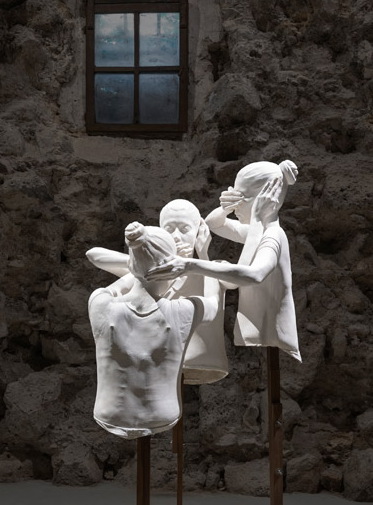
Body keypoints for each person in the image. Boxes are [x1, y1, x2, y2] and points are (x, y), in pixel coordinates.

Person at [147, 160, 301, 362]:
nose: (237, 206)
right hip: (260, 322)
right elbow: (214, 223)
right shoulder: (257, 232)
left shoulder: (273, 235)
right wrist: (225, 207)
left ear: (264, 199)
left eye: (242, 199)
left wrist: (190, 265)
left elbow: (250, 276)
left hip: (271, 324)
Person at [88, 223, 215, 438]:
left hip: (109, 414)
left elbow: (116, 283)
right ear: (173, 269)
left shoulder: (99, 303)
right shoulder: (184, 310)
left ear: (131, 265)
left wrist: (140, 263)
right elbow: (214, 302)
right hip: (161, 417)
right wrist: (201, 258)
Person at [86, 199, 228, 384]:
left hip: (199, 360)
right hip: (160, 359)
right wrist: (149, 258)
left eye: (184, 229)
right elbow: (94, 255)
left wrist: (201, 258)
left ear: (199, 233)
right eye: (169, 229)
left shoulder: (214, 268)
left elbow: (236, 281)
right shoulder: (150, 272)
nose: (176, 236)